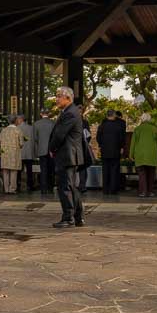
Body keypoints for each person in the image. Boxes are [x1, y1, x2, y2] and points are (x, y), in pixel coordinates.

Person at [48, 86, 85, 227]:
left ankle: (68, 217)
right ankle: (78, 216)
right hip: (69, 154)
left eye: (58, 96)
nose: (56, 99)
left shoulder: (70, 113)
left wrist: (51, 148)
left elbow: (59, 134)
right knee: (70, 186)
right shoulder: (69, 111)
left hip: (67, 154)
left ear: (68, 97)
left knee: (65, 187)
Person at [129, 113, 157, 197]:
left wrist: (131, 154)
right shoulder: (154, 129)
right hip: (152, 155)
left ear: (142, 119)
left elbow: (133, 143)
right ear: (150, 119)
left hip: (140, 155)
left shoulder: (137, 129)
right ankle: (150, 191)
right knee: (151, 174)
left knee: (142, 174)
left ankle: (143, 192)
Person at [97, 109, 125, 194]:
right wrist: (121, 147)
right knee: (114, 170)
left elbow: (98, 138)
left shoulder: (102, 126)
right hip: (115, 151)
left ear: (107, 115)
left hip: (104, 151)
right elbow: (121, 138)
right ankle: (113, 189)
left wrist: (101, 145)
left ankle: (105, 189)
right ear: (114, 115)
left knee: (105, 170)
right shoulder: (118, 126)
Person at [0, 115, 24, 195]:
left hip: (5, 153)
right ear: (15, 121)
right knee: (13, 171)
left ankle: (6, 189)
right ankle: (12, 189)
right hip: (14, 154)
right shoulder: (18, 130)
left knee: (5, 171)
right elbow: (21, 143)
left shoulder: (3, 130)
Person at [33, 108, 55, 194]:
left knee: (43, 170)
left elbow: (35, 138)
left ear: (41, 114)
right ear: (48, 114)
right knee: (51, 169)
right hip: (52, 150)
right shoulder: (53, 123)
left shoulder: (36, 124)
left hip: (41, 149)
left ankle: (43, 189)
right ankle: (51, 188)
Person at [16, 114, 35, 192]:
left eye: (17, 119)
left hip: (20, 152)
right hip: (29, 152)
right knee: (29, 170)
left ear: (20, 119)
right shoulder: (31, 128)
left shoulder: (17, 128)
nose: (17, 121)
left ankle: (18, 186)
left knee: (19, 171)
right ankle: (30, 186)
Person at [77, 105, 93, 192]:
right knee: (82, 167)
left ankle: (81, 185)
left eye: (80, 111)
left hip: (78, 147)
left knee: (81, 167)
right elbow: (88, 135)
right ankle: (82, 186)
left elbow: (88, 135)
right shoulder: (84, 122)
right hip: (80, 146)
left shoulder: (83, 122)